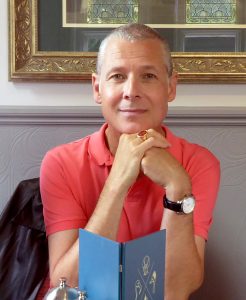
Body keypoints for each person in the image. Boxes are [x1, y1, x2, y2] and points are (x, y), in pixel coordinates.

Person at [40, 23, 220, 300]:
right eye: (117, 76)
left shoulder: (198, 163)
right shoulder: (60, 163)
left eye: (148, 75)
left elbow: (175, 288)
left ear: (171, 88)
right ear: (97, 87)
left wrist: (178, 187)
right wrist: (117, 183)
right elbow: (69, 284)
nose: (131, 91)